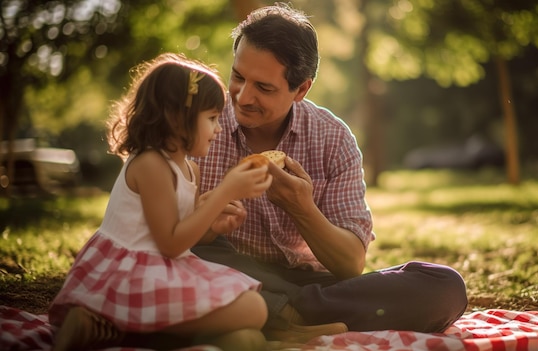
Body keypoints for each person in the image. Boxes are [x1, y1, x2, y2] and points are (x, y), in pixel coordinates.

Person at [191, 2, 469, 343]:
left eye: (264, 88)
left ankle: (282, 311)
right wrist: (208, 219)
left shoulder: (333, 139)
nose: (244, 97)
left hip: (315, 285)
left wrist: (301, 207)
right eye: (238, 77)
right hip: (230, 272)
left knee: (444, 287)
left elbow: (350, 264)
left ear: (301, 89)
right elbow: (170, 240)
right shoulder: (199, 125)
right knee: (195, 259)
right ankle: (287, 313)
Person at [48, 53, 272, 351]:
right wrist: (224, 193)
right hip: (129, 277)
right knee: (254, 310)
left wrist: (214, 223)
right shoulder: (150, 164)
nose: (218, 129)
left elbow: (188, 237)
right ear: (177, 118)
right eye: (211, 119)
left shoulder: (190, 169)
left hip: (165, 268)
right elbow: (170, 243)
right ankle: (110, 324)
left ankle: (124, 332)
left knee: (250, 330)